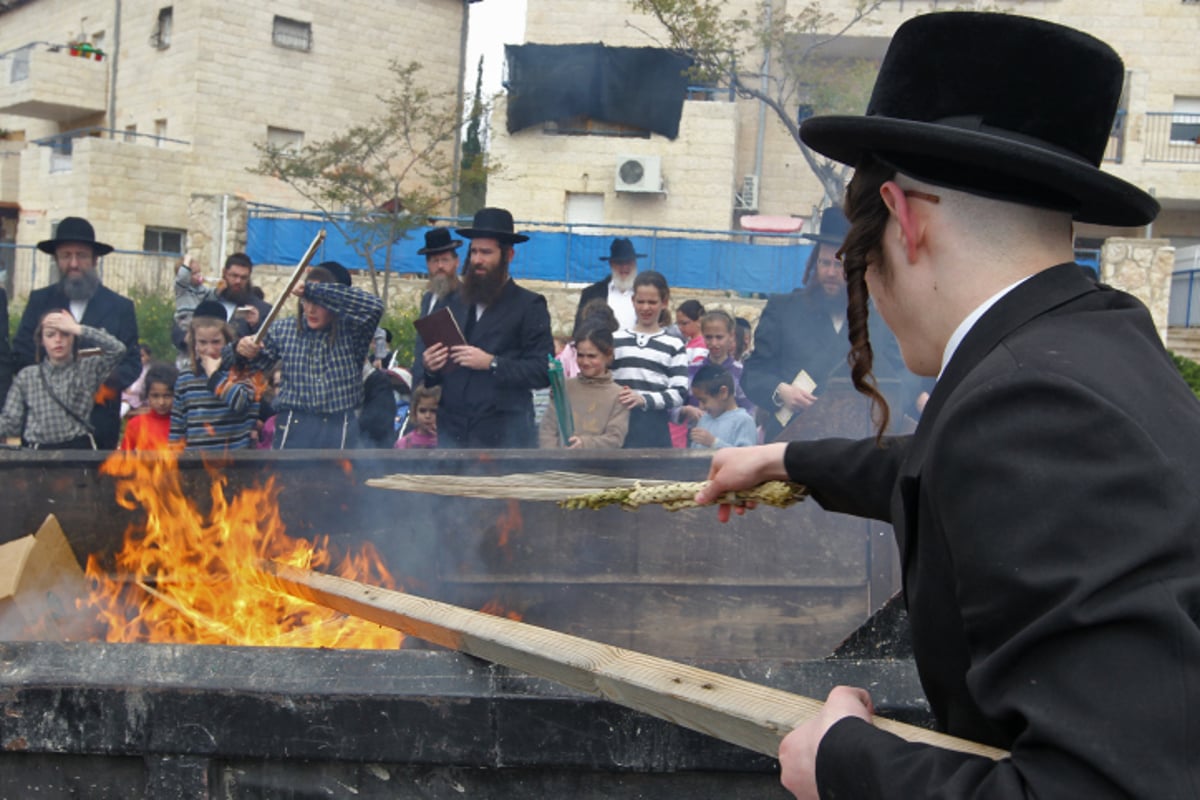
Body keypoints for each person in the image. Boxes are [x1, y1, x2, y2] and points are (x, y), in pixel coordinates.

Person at [696, 12, 1198, 799]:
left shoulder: (1035, 409)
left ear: (903, 218)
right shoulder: (1097, 347)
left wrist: (842, 763)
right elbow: (966, 477)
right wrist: (790, 459)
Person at [741, 206, 908, 442]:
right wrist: (781, 392)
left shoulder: (879, 317)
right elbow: (754, 373)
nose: (830, 272)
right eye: (824, 263)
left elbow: (900, 376)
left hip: (857, 443)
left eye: (840, 265)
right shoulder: (783, 309)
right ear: (813, 264)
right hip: (792, 441)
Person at [421, 207, 553, 448]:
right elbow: (434, 375)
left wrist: (492, 362)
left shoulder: (529, 305)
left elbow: (542, 371)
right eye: (473, 252)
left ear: (508, 255)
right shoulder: (452, 300)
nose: (477, 260)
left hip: (502, 436)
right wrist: (430, 366)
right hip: (453, 433)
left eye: (486, 252)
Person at [14, 217, 141, 449]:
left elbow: (132, 362)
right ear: (57, 260)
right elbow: (22, 353)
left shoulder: (120, 307)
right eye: (66, 256)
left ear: (94, 259)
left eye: (81, 255)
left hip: (98, 424)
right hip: (45, 426)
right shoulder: (39, 301)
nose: (73, 263)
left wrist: (100, 385)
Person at [235, 261, 384, 450]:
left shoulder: (353, 331)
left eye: (319, 303)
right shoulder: (283, 329)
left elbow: (375, 306)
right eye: (306, 301)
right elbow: (250, 366)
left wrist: (313, 290)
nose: (311, 309)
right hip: (294, 426)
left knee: (339, 480)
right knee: (286, 480)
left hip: (339, 428)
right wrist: (241, 349)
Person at [0, 310, 126, 449]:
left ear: (74, 337)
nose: (58, 340)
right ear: (41, 340)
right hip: (39, 455)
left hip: (78, 451)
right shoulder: (27, 376)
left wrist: (78, 328)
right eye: (50, 335)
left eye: (65, 334)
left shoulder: (89, 367)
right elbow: (10, 423)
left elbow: (118, 350)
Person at [611, 271, 688, 448]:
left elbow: (679, 392)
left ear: (664, 303)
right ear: (633, 301)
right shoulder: (616, 340)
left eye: (652, 302)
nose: (646, 308)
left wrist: (643, 399)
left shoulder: (674, 345)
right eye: (641, 301)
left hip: (654, 429)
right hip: (616, 425)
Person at [170, 302, 259, 451]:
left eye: (216, 342)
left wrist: (214, 376)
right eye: (202, 342)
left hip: (236, 463)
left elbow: (240, 402)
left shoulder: (243, 371)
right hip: (196, 464)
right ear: (194, 343)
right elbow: (178, 427)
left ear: (227, 340)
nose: (209, 349)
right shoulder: (186, 378)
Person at [538, 321, 629, 450]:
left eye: (592, 356)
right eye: (580, 355)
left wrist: (584, 444)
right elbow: (548, 430)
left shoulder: (619, 395)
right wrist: (553, 457)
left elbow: (614, 439)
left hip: (601, 467)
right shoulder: (564, 388)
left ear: (608, 354)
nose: (585, 362)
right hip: (559, 466)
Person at [678, 309, 754, 431]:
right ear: (702, 335)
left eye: (719, 337)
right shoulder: (692, 369)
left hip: (730, 440)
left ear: (731, 335)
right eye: (709, 337)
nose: (714, 343)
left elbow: (749, 411)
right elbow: (675, 405)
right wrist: (686, 410)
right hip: (697, 438)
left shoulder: (741, 372)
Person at [411, 227, 463, 387]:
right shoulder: (428, 298)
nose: (440, 266)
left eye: (445, 260)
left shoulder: (465, 298)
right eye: (435, 260)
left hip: (449, 389)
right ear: (428, 264)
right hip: (423, 385)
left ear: (456, 262)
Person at [574, 237, 644, 332]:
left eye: (628, 262)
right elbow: (579, 332)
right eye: (619, 262)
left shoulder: (646, 293)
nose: (624, 267)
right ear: (611, 264)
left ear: (635, 263)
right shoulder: (591, 294)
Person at [688, 363, 756, 449]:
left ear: (723, 393)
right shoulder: (704, 419)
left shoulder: (744, 421)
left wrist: (713, 443)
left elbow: (746, 457)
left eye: (704, 401)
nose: (701, 407)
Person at [119, 362, 178, 451]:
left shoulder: (181, 425)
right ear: (147, 395)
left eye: (167, 396)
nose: (161, 402)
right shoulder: (136, 424)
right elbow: (124, 457)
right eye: (155, 396)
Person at [395, 384, 439, 450]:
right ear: (415, 412)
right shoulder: (404, 443)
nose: (427, 416)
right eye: (422, 411)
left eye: (433, 411)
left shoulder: (445, 441)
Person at [120, 344, 154, 418]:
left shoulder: (149, 371)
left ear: (149, 357)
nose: (139, 358)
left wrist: (132, 391)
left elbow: (140, 386)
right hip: (127, 397)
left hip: (140, 398)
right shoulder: (131, 368)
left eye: (142, 356)